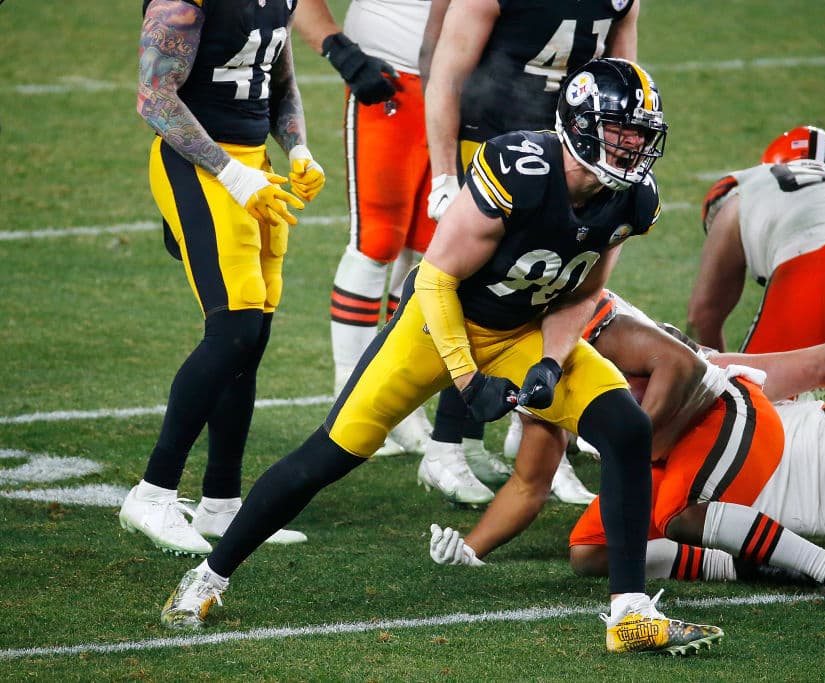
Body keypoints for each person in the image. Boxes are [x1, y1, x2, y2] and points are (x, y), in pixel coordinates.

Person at [160, 58, 725, 656]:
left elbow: (579, 291)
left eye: (640, 133)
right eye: (618, 130)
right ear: (580, 126)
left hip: (522, 330)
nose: (632, 145)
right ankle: (207, 577)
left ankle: (629, 614)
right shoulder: (521, 167)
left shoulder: (632, 201)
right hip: (435, 325)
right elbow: (434, 279)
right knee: (330, 453)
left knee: (626, 427)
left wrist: (552, 364)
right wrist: (466, 378)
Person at [431, 292, 825, 607]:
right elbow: (528, 485)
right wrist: (470, 550)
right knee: (591, 551)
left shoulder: (592, 324)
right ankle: (745, 563)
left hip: (725, 414)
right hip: (661, 453)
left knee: (677, 515)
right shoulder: (530, 377)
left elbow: (683, 366)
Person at [118, 0, 324, 556]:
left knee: (251, 338)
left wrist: (298, 147)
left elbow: (277, 79)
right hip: (198, 167)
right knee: (232, 329)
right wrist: (231, 173)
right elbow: (155, 99)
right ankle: (153, 492)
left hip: (254, 167)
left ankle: (221, 503)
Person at [415, 0, 641, 505]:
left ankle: (527, 440)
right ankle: (446, 445)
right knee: (478, 294)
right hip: (490, 144)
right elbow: (446, 75)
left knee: (551, 290)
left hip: (571, 156)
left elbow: (623, 77)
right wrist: (445, 174)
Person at [291, 0, 438, 460]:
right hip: (387, 82)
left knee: (430, 253)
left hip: (457, 88)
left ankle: (399, 405)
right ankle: (347, 398)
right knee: (376, 241)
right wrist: (338, 48)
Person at [687, 126, 825, 391]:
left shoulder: (747, 184)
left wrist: (712, 382)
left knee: (746, 405)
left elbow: (703, 315)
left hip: (814, 267)